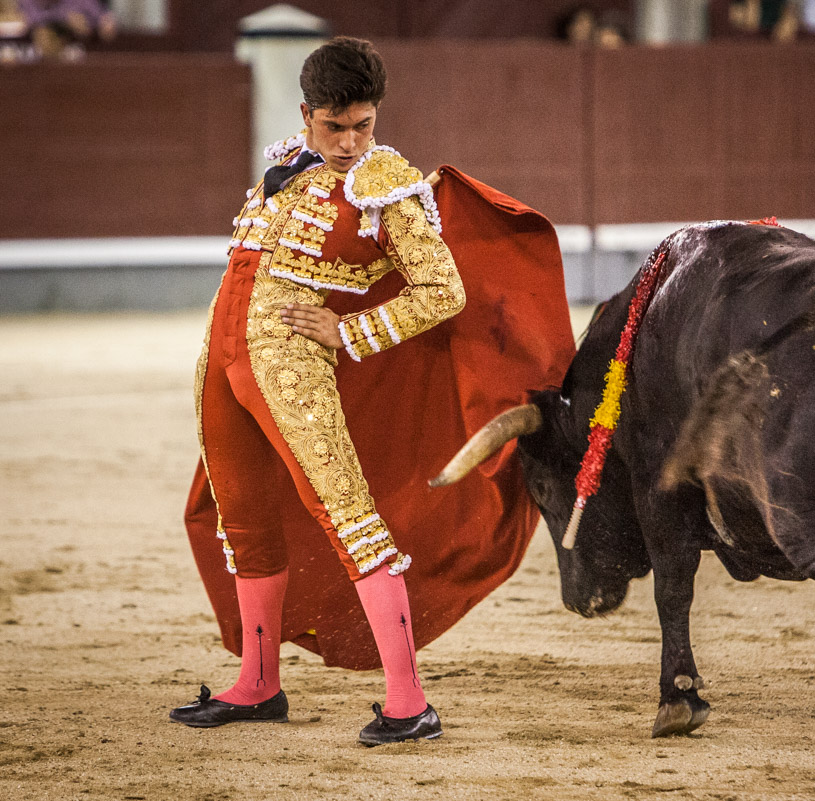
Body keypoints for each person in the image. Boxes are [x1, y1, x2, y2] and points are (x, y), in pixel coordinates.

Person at [170, 36, 576, 747]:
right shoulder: (287, 166)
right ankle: (259, 684)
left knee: (349, 516)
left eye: (363, 124)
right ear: (307, 115)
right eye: (335, 126)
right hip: (223, 361)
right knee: (246, 518)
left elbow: (442, 290)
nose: (351, 141)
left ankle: (407, 701)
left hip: (291, 365)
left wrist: (350, 331)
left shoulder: (388, 184)